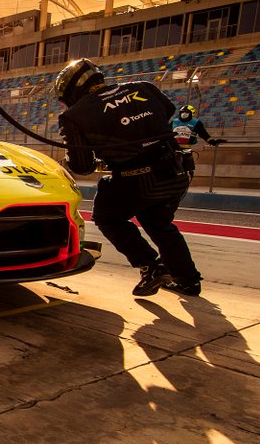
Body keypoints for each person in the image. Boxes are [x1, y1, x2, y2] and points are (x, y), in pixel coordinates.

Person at [54, 58, 203, 298]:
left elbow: (82, 166)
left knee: (106, 217)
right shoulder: (144, 87)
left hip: (136, 180)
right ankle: (189, 281)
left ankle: (150, 265)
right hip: (175, 172)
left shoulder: (74, 115)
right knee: (160, 224)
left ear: (71, 89)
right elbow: (167, 113)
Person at [170, 104, 224, 175]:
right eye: (182, 112)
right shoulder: (174, 122)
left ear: (191, 113)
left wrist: (213, 142)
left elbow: (203, 134)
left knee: (187, 168)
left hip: (186, 150)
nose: (184, 113)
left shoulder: (196, 123)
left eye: (186, 112)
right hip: (172, 149)